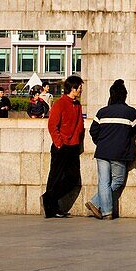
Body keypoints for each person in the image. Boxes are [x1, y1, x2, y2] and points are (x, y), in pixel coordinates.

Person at [86, 79, 136, 220]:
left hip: (102, 152)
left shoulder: (102, 112)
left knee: (103, 182)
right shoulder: (130, 112)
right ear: (125, 95)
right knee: (117, 181)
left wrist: (100, 142)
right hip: (119, 152)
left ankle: (106, 212)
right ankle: (95, 203)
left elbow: (93, 131)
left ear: (111, 95)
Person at [42, 75, 85, 218]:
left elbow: (80, 124)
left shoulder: (77, 105)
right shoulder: (60, 104)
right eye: (79, 88)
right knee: (55, 177)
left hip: (73, 146)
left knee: (72, 178)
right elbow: (52, 125)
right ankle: (51, 208)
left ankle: (49, 198)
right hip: (61, 146)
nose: (81, 90)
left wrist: (77, 140)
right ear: (73, 88)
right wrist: (59, 143)